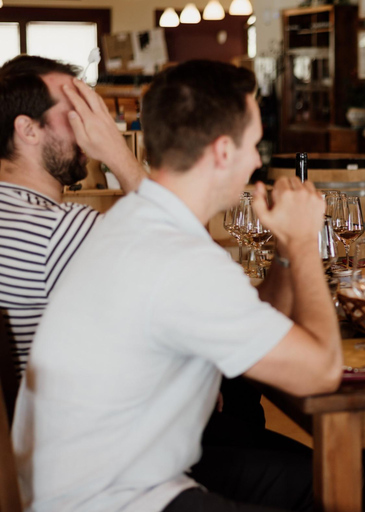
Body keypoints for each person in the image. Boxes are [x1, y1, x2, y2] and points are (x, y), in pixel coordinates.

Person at [12, 60, 342, 512]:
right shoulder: (177, 256)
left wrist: (286, 248)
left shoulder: (138, 220)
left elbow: (255, 312)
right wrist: (306, 241)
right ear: (223, 151)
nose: (258, 161)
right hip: (107, 498)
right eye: (254, 144)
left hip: (95, 475)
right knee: (329, 480)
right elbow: (322, 372)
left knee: (311, 478)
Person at [0, 55, 146, 380]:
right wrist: (117, 151)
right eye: (74, 114)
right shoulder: (60, 228)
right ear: (28, 129)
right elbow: (188, 263)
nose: (88, 130)